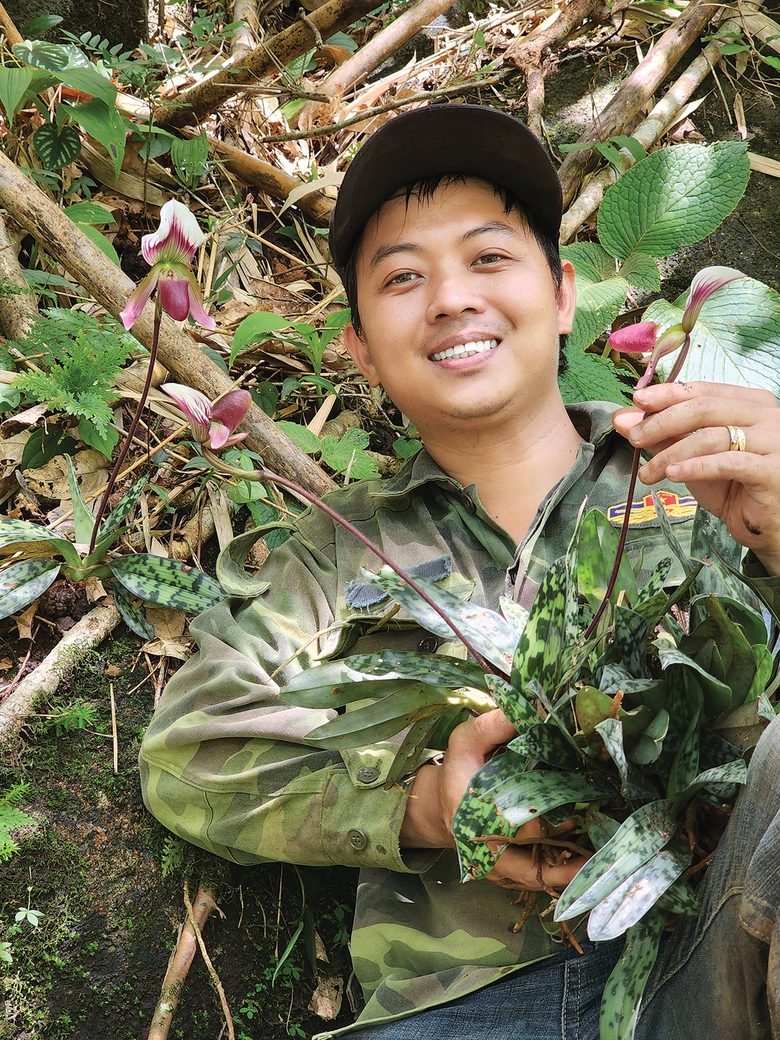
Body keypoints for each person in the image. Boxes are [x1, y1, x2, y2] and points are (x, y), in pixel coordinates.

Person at [139, 104, 780, 1039]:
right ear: (358, 345)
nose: (449, 297)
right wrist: (425, 803)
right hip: (463, 1009)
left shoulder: (704, 476)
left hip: (706, 957)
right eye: (402, 277)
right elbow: (186, 756)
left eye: (488, 258)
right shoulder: (328, 556)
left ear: (562, 294)